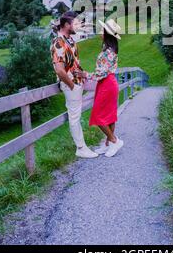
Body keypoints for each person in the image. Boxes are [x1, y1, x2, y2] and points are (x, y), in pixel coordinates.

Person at [50, 11, 98, 159]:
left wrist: (83, 76)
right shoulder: (58, 43)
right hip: (71, 84)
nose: (77, 26)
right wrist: (71, 85)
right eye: (75, 23)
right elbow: (59, 70)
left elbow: (75, 63)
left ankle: (109, 137)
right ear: (66, 25)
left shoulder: (70, 40)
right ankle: (81, 148)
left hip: (79, 81)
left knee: (102, 89)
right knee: (74, 116)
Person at [82, 19, 123, 158]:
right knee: (109, 116)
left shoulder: (108, 52)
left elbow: (101, 73)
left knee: (99, 116)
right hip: (107, 83)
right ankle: (108, 144)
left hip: (107, 84)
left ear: (107, 34)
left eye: (103, 30)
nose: (100, 32)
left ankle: (114, 141)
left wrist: (84, 74)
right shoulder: (109, 49)